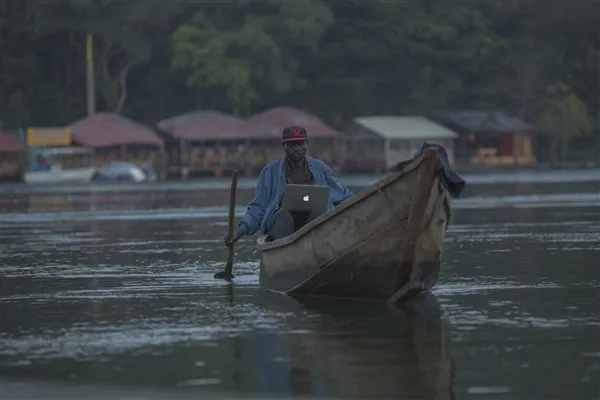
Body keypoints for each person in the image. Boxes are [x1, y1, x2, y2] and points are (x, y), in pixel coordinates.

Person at [224, 126, 354, 246]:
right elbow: (257, 209)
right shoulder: (270, 172)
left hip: (314, 222)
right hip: (282, 224)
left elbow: (344, 197)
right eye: (291, 144)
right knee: (284, 218)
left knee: (323, 214)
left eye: (300, 143)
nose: (296, 148)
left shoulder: (321, 169)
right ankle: (286, 251)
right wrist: (239, 232)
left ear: (306, 144)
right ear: (284, 146)